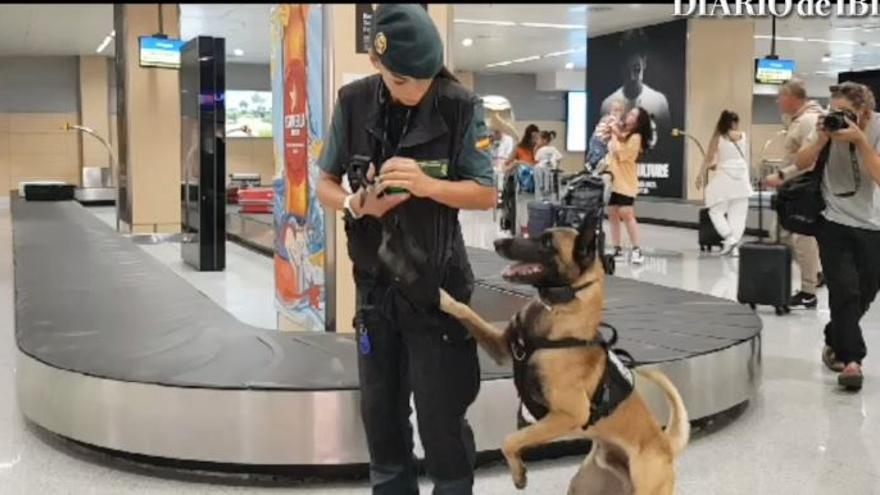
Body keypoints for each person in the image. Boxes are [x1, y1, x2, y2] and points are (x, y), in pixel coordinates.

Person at [315, 5, 496, 493]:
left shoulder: (460, 107)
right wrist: (355, 204)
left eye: (424, 80)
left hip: (438, 289)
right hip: (375, 288)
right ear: (377, 65)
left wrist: (425, 184)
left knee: (442, 417)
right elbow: (324, 184)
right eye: (401, 82)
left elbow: (485, 192)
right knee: (382, 417)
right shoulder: (352, 103)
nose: (416, 92)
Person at [795, 81, 880, 391]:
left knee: (867, 290)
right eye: (835, 111)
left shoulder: (878, 127)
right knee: (844, 290)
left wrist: (860, 141)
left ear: (865, 113)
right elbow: (802, 162)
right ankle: (852, 361)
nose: (839, 118)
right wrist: (819, 139)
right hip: (833, 221)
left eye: (847, 113)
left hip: (874, 225)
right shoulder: (825, 127)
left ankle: (835, 335)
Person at [763, 79, 825, 309]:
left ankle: (809, 288)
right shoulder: (798, 120)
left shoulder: (809, 121)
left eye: (781, 96)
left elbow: (809, 159)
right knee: (781, 235)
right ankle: (814, 275)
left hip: (802, 188)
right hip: (792, 189)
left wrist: (782, 176)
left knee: (800, 237)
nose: (778, 100)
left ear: (792, 97)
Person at [695, 110, 753, 257]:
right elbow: (740, 157)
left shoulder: (718, 137)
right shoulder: (743, 136)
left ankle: (729, 238)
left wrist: (700, 174)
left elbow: (709, 158)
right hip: (741, 179)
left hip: (724, 177)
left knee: (715, 208)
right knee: (738, 213)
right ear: (735, 123)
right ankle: (734, 246)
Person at [606, 106, 652, 264]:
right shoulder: (623, 133)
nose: (628, 115)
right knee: (612, 213)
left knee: (627, 213)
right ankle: (617, 248)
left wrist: (613, 134)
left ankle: (637, 249)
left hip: (626, 182)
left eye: (633, 114)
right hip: (613, 180)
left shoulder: (636, 137)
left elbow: (621, 154)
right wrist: (613, 129)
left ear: (638, 121)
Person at [600, 29, 670, 130]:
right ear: (621, 67)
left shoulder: (659, 102)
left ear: (644, 63)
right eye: (627, 71)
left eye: (637, 69)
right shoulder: (607, 105)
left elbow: (667, 141)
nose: (632, 77)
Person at [587, 99, 626, 171]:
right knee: (597, 154)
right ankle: (592, 163)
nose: (616, 112)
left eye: (619, 110)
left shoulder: (619, 122)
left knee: (604, 153)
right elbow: (614, 128)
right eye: (614, 110)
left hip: (604, 143)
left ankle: (593, 162)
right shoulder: (610, 119)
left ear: (622, 112)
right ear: (610, 111)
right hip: (598, 140)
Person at [534, 130, 563, 200]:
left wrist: (535, 148)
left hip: (540, 173)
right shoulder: (553, 149)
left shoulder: (540, 150)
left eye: (538, 139)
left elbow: (536, 159)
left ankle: (541, 201)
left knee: (540, 189)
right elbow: (559, 158)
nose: (536, 141)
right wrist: (555, 165)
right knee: (551, 190)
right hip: (551, 172)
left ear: (544, 140)